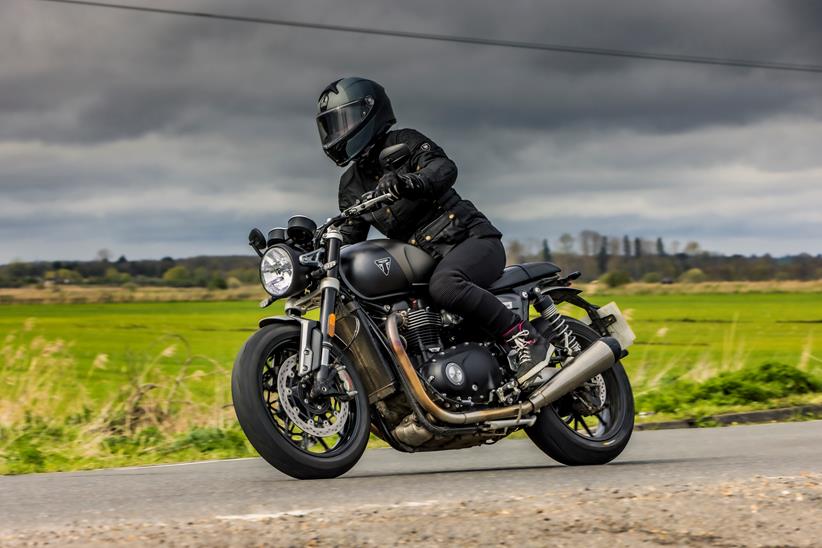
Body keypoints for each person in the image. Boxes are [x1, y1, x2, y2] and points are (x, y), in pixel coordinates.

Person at [315, 76, 552, 385]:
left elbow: (443, 168)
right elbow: (350, 234)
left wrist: (410, 182)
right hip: (424, 262)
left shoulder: (405, 142)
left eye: (343, 121)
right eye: (332, 125)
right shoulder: (350, 186)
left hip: (471, 240)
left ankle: (525, 339)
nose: (338, 132)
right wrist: (315, 249)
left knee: (446, 286)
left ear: (367, 114)